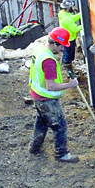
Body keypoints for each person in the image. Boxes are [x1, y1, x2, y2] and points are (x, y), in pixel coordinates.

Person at [28, 27, 81, 163]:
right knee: (60, 125)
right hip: (46, 99)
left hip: (37, 94)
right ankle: (61, 154)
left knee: (42, 122)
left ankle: (34, 146)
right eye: (63, 46)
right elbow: (50, 86)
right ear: (55, 43)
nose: (64, 49)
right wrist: (70, 85)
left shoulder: (41, 49)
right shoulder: (49, 61)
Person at [58, 0, 82, 72]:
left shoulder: (63, 14)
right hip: (69, 39)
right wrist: (83, 25)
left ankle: (66, 64)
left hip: (66, 38)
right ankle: (69, 71)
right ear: (69, 7)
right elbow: (75, 29)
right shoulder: (67, 18)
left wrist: (81, 14)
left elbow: (72, 18)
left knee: (66, 53)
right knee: (69, 55)